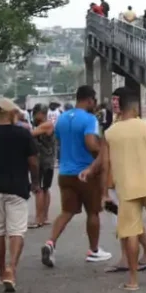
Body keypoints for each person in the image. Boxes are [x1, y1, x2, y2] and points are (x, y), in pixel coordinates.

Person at [100, 90, 146, 290]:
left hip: (126, 189)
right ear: (133, 107)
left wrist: (104, 192)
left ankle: (133, 280)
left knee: (131, 233)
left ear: (120, 107)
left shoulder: (109, 133)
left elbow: (105, 164)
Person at [42, 85, 113, 266]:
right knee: (93, 212)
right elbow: (90, 143)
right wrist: (102, 153)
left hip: (65, 172)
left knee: (66, 211)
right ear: (89, 100)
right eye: (94, 101)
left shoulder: (62, 118)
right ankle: (94, 250)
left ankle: (50, 243)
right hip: (85, 173)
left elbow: (59, 138)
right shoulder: (89, 119)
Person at [0, 98, 39, 293]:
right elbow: (33, 162)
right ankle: (12, 269)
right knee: (16, 231)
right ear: (12, 114)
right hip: (18, 188)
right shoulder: (23, 134)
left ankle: (2, 271)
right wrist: (35, 182)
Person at [29, 105, 56, 228]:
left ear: (41, 113)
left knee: (39, 189)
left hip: (44, 162)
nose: (33, 116)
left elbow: (30, 134)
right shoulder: (44, 125)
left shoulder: (47, 125)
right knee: (44, 189)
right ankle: (44, 217)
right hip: (46, 161)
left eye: (35, 113)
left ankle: (39, 219)